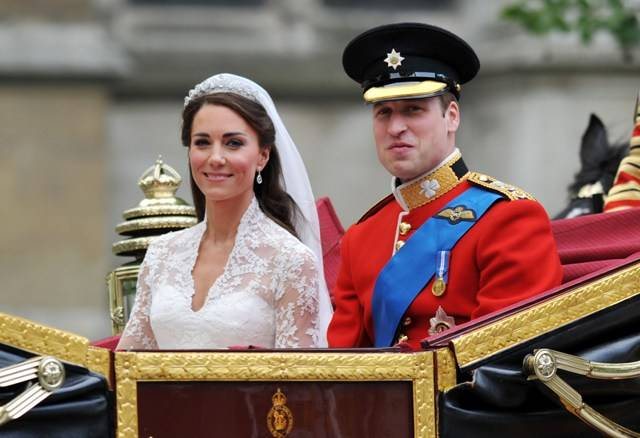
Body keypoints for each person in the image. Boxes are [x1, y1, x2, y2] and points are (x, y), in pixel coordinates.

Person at [327, 23, 563, 349]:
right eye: (383, 113)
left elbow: (505, 358)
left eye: (413, 110)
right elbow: (343, 367)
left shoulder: (509, 217)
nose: (396, 127)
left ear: (451, 116)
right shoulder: (360, 237)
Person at [117, 73, 333, 350]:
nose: (215, 158)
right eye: (202, 142)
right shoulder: (161, 254)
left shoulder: (291, 260)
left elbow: (298, 383)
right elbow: (126, 365)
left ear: (263, 156)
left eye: (233, 143)